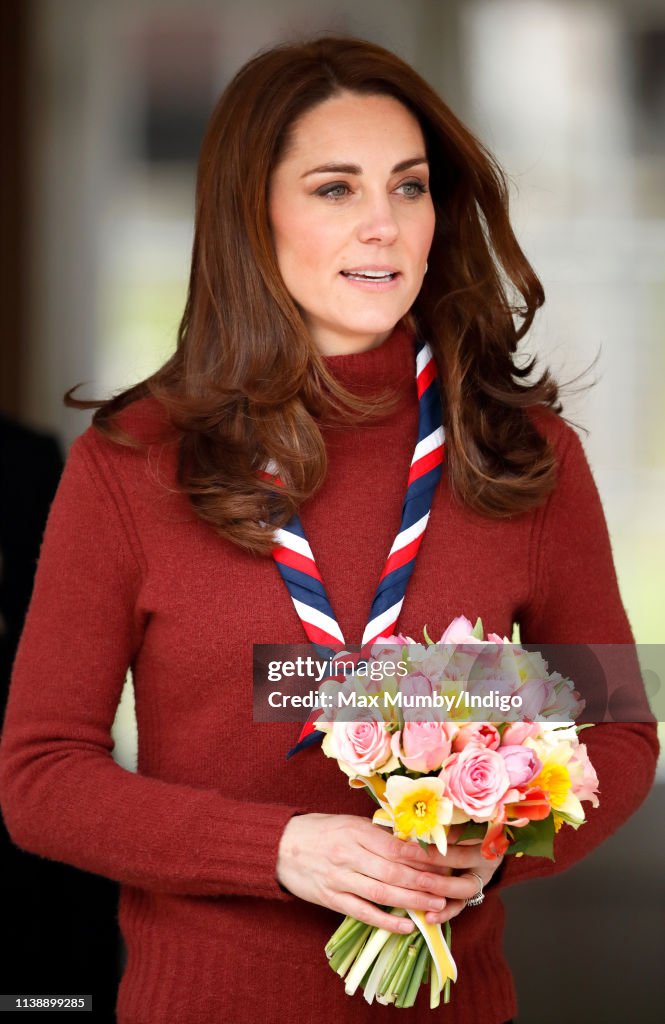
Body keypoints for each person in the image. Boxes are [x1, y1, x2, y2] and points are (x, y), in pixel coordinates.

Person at [0, 36, 657, 1024]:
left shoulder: (525, 457)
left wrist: (502, 838)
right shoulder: (130, 466)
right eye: (335, 189)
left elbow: (616, 729)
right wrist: (275, 849)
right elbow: (41, 777)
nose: (384, 228)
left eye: (408, 187)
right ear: (251, 216)